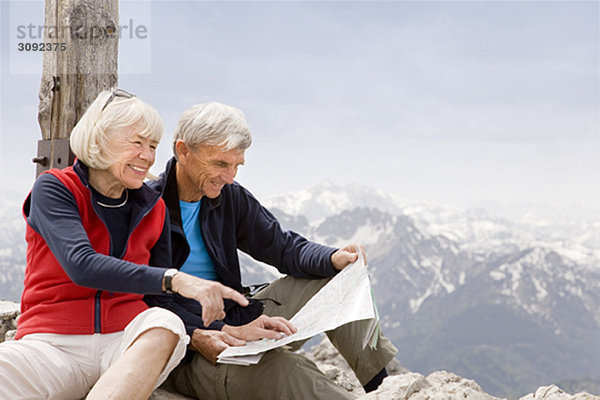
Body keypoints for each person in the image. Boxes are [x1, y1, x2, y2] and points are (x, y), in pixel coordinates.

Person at [0, 90, 248, 400]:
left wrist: (221, 328)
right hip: (51, 345)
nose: (147, 156)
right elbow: (82, 264)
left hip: (126, 344)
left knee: (165, 324)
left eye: (153, 146)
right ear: (98, 139)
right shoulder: (55, 188)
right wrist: (176, 278)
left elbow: (160, 301)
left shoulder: (153, 207)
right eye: (137, 143)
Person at [146, 101, 398, 400]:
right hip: (190, 351)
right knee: (285, 370)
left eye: (237, 165)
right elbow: (142, 298)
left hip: (239, 317)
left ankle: (382, 391)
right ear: (183, 151)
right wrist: (210, 331)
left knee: (340, 279)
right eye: (220, 164)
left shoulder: (229, 197)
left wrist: (332, 258)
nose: (230, 177)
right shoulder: (147, 207)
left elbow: (282, 246)